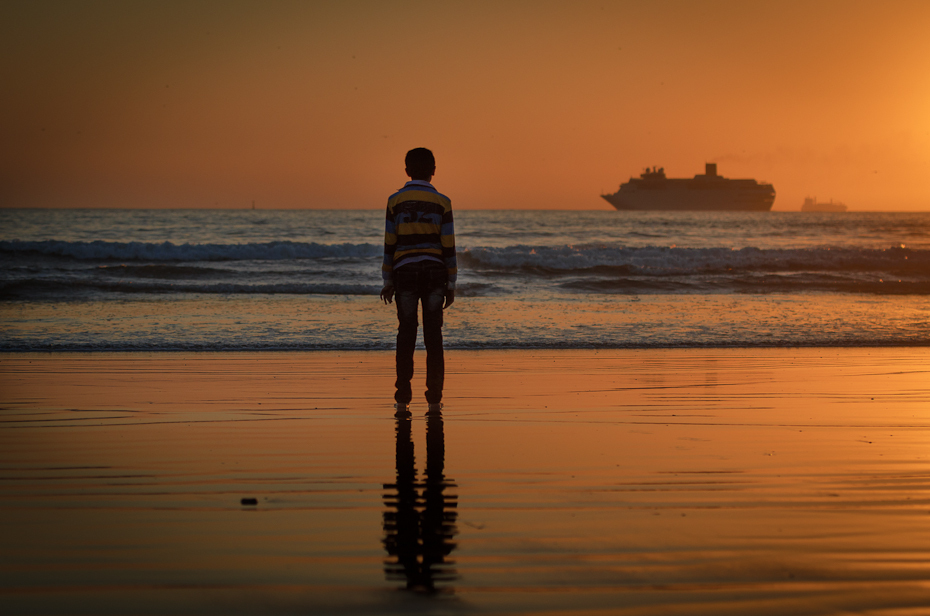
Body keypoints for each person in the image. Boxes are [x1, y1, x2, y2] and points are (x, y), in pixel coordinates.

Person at [380, 148, 456, 416]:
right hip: (435, 272)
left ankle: (403, 398)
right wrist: (451, 282)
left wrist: (387, 278)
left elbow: (390, 242)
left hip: (405, 272)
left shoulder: (394, 201)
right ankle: (434, 399)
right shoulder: (442, 202)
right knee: (434, 336)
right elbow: (448, 245)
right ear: (433, 170)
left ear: (407, 170)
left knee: (406, 334)